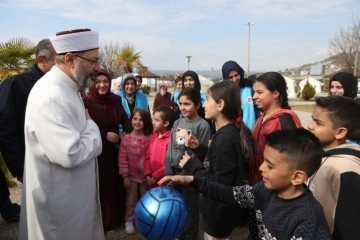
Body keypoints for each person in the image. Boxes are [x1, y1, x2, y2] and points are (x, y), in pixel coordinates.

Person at [159, 128, 331, 240]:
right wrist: (191, 180)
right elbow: (227, 193)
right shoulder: (263, 191)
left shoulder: (308, 220)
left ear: (297, 177)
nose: (262, 168)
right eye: (264, 161)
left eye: (270, 165)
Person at [19, 28, 104, 240]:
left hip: (73, 202)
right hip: (60, 210)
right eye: (93, 61)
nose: (98, 68)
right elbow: (70, 153)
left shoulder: (69, 88)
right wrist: (92, 127)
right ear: (70, 59)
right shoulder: (51, 95)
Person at [178, 81, 256, 239]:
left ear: (220, 104)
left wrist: (193, 166)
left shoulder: (224, 139)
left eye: (207, 100)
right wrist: (201, 149)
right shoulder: (228, 132)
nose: (204, 105)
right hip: (223, 213)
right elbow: (220, 162)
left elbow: (220, 185)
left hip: (218, 213)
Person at [0, 39, 56, 223]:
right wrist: (19, 169)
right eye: (57, 60)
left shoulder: (58, 85)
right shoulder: (14, 85)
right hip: (29, 163)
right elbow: (6, 131)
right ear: (42, 59)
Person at [307, 96, 360, 239]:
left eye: (318, 123)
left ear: (340, 132)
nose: (310, 126)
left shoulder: (346, 169)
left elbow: (350, 227)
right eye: (312, 119)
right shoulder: (322, 154)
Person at [82, 68, 128, 230]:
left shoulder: (115, 99)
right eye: (98, 82)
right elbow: (82, 128)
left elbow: (124, 120)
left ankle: (118, 217)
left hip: (116, 150)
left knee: (117, 183)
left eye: (106, 81)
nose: (102, 85)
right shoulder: (86, 101)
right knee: (102, 186)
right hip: (97, 151)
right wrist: (103, 135)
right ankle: (104, 221)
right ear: (93, 83)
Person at [165, 87, 211, 239]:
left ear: (197, 105)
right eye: (180, 103)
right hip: (174, 176)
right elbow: (170, 150)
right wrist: (169, 174)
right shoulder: (177, 122)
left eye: (187, 104)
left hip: (190, 179)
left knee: (191, 214)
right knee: (177, 211)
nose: (183, 107)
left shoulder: (203, 126)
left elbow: (200, 155)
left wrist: (184, 176)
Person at [250, 72, 302, 185]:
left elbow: (291, 160)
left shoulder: (285, 120)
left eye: (259, 92)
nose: (254, 96)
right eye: (254, 92)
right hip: (259, 184)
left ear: (275, 94)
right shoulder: (261, 118)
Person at [118, 108, 153, 235]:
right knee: (131, 200)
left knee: (146, 199)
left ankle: (145, 220)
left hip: (146, 176)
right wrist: (124, 175)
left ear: (147, 122)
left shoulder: (149, 137)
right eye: (135, 118)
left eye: (141, 120)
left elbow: (152, 157)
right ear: (131, 119)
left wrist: (150, 173)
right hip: (131, 177)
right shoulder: (126, 138)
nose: (137, 122)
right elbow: (122, 158)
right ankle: (129, 220)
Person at [144, 106, 178, 187]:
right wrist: (147, 173)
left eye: (157, 120)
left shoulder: (171, 139)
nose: (153, 122)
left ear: (166, 123)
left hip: (165, 182)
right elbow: (147, 157)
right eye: (153, 119)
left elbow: (170, 163)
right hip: (151, 180)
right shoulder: (153, 136)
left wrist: (155, 176)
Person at [222, 60, 259, 130]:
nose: (234, 79)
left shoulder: (251, 87)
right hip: (235, 134)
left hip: (253, 133)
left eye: (236, 75)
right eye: (230, 77)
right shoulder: (225, 94)